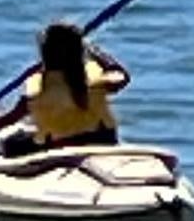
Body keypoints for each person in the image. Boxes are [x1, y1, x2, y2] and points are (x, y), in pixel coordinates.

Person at [9, 19, 129, 147]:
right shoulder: (95, 78)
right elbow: (121, 75)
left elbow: (4, 122)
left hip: (62, 145)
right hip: (103, 141)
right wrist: (95, 52)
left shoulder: (37, 87)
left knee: (12, 143)